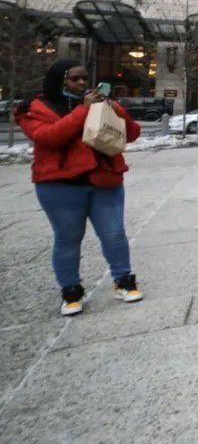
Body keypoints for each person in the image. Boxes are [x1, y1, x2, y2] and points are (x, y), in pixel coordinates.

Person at [15, 59, 144, 316]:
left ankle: (123, 280)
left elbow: (131, 133)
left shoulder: (97, 102)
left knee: (114, 234)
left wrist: (112, 108)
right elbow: (49, 138)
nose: (82, 83)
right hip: (60, 185)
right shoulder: (36, 107)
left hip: (104, 180)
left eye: (85, 78)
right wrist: (83, 111)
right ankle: (71, 291)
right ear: (59, 80)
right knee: (68, 239)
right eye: (75, 79)